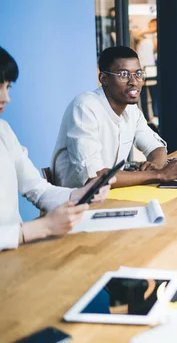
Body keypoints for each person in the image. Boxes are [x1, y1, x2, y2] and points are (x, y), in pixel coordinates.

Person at [0, 46, 113, 251]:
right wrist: (38, 228)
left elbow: (37, 190)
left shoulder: (3, 131)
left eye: (7, 87)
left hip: (15, 257)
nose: (6, 98)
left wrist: (79, 194)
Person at [52, 46, 177, 189]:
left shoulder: (131, 109)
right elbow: (94, 177)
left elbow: (156, 147)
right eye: (124, 75)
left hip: (110, 195)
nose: (134, 82)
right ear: (104, 78)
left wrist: (157, 166)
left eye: (138, 74)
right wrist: (159, 175)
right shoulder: (85, 107)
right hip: (75, 203)